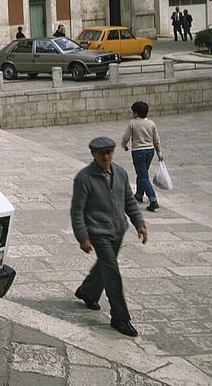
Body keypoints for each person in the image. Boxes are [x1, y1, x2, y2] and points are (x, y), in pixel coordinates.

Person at [71, 136, 147, 338]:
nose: (106, 157)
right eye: (101, 153)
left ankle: (87, 291)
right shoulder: (84, 178)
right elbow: (77, 211)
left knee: (105, 266)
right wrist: (82, 237)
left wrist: (139, 223)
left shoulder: (120, 173)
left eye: (109, 152)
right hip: (98, 233)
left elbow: (129, 201)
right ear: (93, 154)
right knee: (112, 272)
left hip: (118, 230)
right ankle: (120, 317)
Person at [121, 101, 163, 212]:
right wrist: (159, 152)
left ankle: (153, 200)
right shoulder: (151, 123)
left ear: (136, 113)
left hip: (138, 151)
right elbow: (156, 139)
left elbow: (126, 137)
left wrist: (124, 145)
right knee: (143, 173)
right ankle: (139, 194)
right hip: (150, 151)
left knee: (143, 176)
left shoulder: (132, 123)